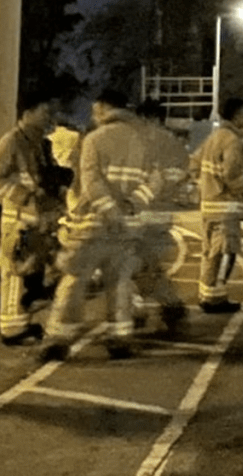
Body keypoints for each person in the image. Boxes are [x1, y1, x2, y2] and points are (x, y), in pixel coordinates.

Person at [42, 89, 153, 361]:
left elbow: (92, 182)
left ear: (103, 107)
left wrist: (110, 211)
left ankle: (59, 337)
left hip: (94, 225)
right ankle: (120, 337)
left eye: (95, 109)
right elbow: (155, 181)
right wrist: (131, 206)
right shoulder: (143, 140)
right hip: (127, 227)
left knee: (74, 278)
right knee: (120, 281)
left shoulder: (94, 139)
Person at [0, 91, 68, 345]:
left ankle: (21, 321)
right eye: (44, 112)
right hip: (17, 219)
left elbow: (43, 176)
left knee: (30, 272)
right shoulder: (11, 142)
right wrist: (25, 195)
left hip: (37, 219)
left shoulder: (41, 143)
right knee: (14, 273)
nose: (49, 117)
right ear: (27, 113)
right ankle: (11, 329)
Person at [133, 98, 190, 331]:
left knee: (134, 263)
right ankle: (169, 305)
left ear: (149, 118)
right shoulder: (172, 143)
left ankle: (148, 307)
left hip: (144, 211)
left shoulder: (142, 141)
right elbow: (180, 175)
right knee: (147, 263)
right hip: (161, 212)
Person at [194, 96, 243, 314]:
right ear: (237, 115)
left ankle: (206, 293)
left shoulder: (213, 137)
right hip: (225, 207)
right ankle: (215, 297)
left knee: (210, 252)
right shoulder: (231, 140)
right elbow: (232, 174)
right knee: (225, 252)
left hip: (209, 204)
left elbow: (194, 163)